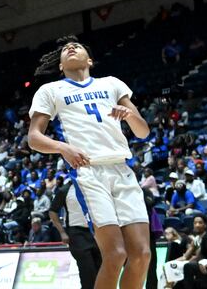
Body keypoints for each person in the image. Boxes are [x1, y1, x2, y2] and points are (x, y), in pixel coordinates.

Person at [28, 36, 151, 289]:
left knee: (142, 255)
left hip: (122, 169)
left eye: (77, 46)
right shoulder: (51, 90)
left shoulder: (112, 84)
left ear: (90, 60)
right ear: (61, 66)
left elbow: (143, 132)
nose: (70, 48)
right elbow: (34, 138)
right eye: (65, 50)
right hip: (89, 172)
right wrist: (63, 148)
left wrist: (129, 115)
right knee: (116, 254)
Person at [49, 179, 102, 289]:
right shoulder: (65, 190)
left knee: (100, 270)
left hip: (97, 232)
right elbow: (52, 211)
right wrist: (62, 232)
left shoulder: (94, 185)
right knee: (88, 271)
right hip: (77, 234)